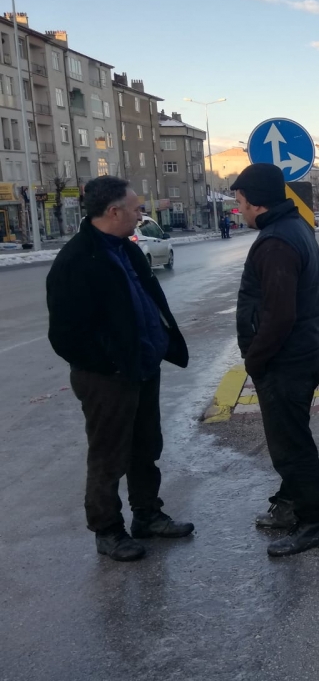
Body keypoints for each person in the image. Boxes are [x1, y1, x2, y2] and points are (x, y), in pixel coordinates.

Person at [46, 176, 194, 563]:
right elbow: (65, 335)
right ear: (113, 212)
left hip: (142, 366)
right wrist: (109, 365)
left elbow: (146, 300)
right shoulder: (77, 261)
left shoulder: (126, 250)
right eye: (136, 208)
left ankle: (147, 514)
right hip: (108, 377)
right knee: (109, 454)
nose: (141, 213)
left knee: (146, 447)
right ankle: (108, 530)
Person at [231, 163, 319, 558]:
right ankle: (292, 504)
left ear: (256, 201)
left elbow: (279, 315)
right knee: (293, 436)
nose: (239, 209)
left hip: (284, 361)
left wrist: (254, 360)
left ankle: (315, 523)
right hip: (298, 355)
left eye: (240, 201)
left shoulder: (275, 242)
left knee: (291, 446)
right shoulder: (294, 229)